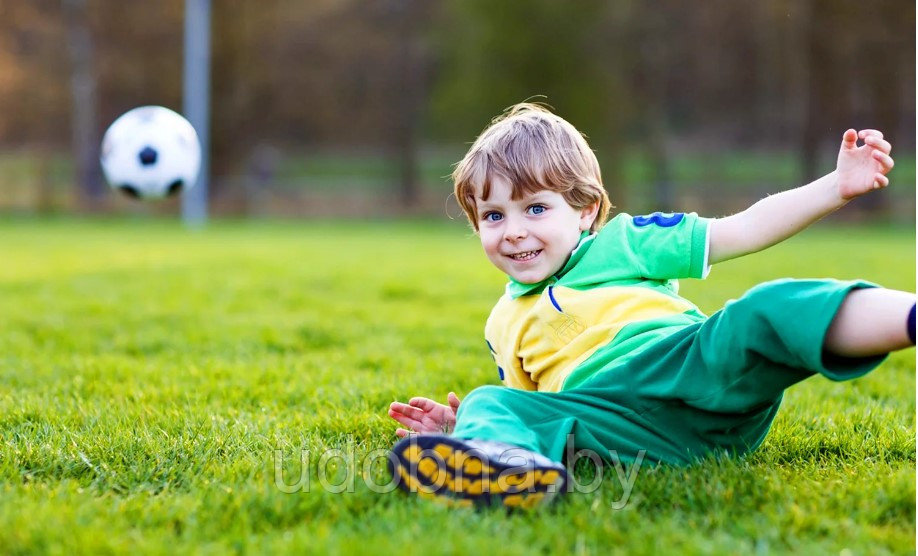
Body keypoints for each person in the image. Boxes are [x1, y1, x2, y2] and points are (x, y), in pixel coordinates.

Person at [386, 103, 916, 509]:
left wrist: (836, 187)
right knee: (490, 399)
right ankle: (496, 473)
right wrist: (465, 428)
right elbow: (533, 410)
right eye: (493, 216)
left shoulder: (625, 243)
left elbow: (744, 229)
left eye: (536, 208)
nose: (514, 231)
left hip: (688, 369)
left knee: (768, 308)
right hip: (615, 425)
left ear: (586, 209)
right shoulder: (502, 323)